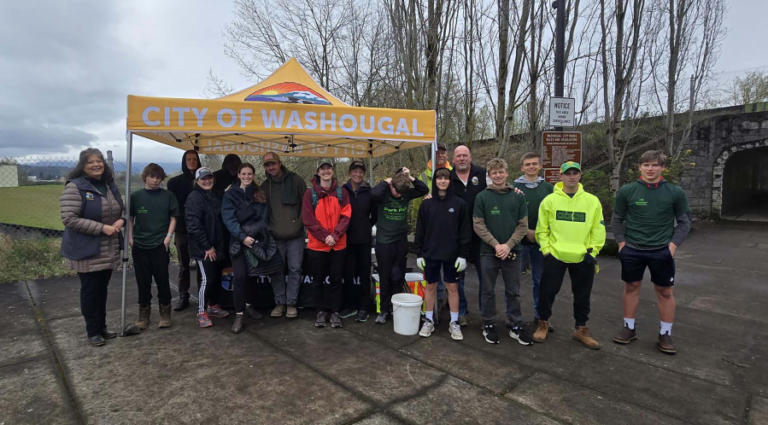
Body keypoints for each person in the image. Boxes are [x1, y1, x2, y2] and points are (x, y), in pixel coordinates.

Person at [611, 150, 691, 355]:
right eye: (646, 165)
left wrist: (672, 246)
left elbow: (684, 223)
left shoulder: (675, 192)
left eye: (655, 165)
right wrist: (621, 243)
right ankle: (629, 328)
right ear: (639, 167)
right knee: (631, 286)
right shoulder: (627, 191)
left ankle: (665, 333)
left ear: (663, 168)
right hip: (633, 250)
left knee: (665, 292)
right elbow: (617, 219)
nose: (650, 169)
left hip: (661, 251)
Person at [533, 161, 606, 349]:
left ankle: (581, 329)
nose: (571, 176)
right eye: (567, 173)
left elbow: (598, 229)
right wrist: (547, 251)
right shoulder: (550, 200)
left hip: (583, 256)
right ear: (561, 176)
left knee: (582, 295)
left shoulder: (592, 201)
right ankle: (543, 324)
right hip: (555, 255)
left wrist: (593, 252)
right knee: (547, 292)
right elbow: (542, 229)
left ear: (580, 175)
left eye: (575, 173)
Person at [60, 148, 125, 346]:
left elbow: (121, 208)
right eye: (91, 162)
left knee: (102, 289)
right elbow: (69, 218)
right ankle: (93, 331)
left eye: (99, 161)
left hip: (108, 246)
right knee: (90, 290)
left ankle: (102, 327)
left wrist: (121, 221)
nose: (96, 165)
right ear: (83, 166)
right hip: (87, 249)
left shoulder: (109, 185)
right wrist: (101, 228)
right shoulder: (75, 187)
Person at [472, 158, 532, 345]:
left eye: (501, 172)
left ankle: (515, 324)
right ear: (489, 176)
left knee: (513, 291)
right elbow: (478, 224)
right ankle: (488, 323)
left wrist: (508, 245)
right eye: (494, 173)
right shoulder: (482, 197)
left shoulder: (517, 196)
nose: (498, 176)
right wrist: (496, 245)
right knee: (487, 291)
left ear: (507, 173)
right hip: (488, 252)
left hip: (513, 252)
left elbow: (523, 226)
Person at [222, 163, 284, 334]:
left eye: (250, 174)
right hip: (237, 244)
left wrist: (252, 236)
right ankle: (239, 315)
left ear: (254, 175)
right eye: (244, 173)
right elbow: (229, 219)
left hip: (255, 242)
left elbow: (263, 219)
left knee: (253, 277)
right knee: (240, 278)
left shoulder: (259, 194)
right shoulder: (230, 195)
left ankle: (250, 306)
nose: (247, 176)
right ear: (239, 175)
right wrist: (242, 237)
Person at [415, 167, 471, 341]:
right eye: (439, 178)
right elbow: (420, 231)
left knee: (452, 288)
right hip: (430, 254)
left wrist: (463, 255)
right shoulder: (427, 204)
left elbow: (465, 231)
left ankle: (454, 323)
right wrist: (419, 254)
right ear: (435, 181)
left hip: (452, 255)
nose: (442, 181)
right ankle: (429, 319)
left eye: (446, 178)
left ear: (450, 181)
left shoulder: (459, 203)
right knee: (430, 287)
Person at [371, 167, 428, 324]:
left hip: (400, 241)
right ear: (391, 186)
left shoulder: (406, 192)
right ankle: (383, 310)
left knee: (398, 275)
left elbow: (424, 189)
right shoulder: (384, 193)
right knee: (385, 276)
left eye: (402, 193)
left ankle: (396, 306)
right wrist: (386, 181)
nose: (399, 195)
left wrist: (410, 177)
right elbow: (373, 193)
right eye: (397, 192)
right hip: (384, 243)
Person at [128, 163, 179, 330]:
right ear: (145, 177)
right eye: (152, 177)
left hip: (159, 244)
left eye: (158, 177)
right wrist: (130, 238)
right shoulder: (136, 197)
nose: (155, 180)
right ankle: (144, 314)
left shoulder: (168, 196)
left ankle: (165, 313)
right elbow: (129, 218)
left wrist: (168, 237)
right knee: (143, 282)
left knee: (162, 279)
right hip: (140, 245)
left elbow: (173, 217)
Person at [302, 161, 352, 328]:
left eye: (328, 168)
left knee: (337, 280)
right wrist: (325, 237)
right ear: (318, 172)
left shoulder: (342, 192)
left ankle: (335, 312)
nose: (326, 172)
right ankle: (321, 311)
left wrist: (335, 235)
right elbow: (308, 219)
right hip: (318, 246)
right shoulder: (310, 194)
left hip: (338, 245)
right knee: (318, 280)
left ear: (332, 171)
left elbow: (346, 216)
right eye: (322, 169)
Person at [261, 152, 307, 319]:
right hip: (275, 237)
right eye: (267, 165)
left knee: (295, 269)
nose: (270, 167)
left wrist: (300, 224)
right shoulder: (265, 186)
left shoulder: (296, 180)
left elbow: (307, 204)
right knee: (276, 270)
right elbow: (260, 211)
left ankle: (291, 303)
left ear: (280, 163)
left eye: (273, 163)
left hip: (296, 236)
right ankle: (280, 302)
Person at [185, 167, 230, 328]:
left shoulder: (215, 195)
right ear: (197, 181)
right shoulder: (194, 198)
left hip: (217, 246)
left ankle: (213, 306)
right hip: (203, 249)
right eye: (203, 178)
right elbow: (193, 226)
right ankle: (201, 312)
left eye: (209, 177)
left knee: (217, 278)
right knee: (207, 279)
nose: (207, 181)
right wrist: (207, 247)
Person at [513, 152, 554, 323]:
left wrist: (537, 233)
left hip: (541, 241)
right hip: (518, 241)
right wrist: (526, 231)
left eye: (534, 164)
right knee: (513, 282)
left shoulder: (549, 188)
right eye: (527, 164)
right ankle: (514, 317)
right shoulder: (514, 188)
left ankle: (541, 317)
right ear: (522, 167)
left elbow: (553, 214)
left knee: (540, 280)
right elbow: (510, 213)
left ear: (540, 166)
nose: (531, 167)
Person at [450, 144, 487, 326]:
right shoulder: (447, 177)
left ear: (470, 157)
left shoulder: (482, 174)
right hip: (457, 237)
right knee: (458, 278)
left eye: (465, 155)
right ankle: (461, 311)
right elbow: (438, 195)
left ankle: (485, 314)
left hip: (481, 236)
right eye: (459, 156)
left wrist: (514, 190)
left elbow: (498, 187)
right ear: (453, 159)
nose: (462, 159)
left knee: (485, 277)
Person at [341, 160, 377, 322]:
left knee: (364, 274)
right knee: (347, 273)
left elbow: (374, 215)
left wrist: (366, 226)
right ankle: (350, 305)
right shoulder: (342, 191)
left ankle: (363, 307)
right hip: (346, 239)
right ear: (350, 173)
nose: (358, 174)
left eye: (361, 171)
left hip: (363, 240)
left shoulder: (369, 192)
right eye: (355, 171)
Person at [167, 149, 202, 311]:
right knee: (184, 264)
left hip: (201, 229)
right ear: (184, 161)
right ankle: (183, 295)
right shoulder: (174, 183)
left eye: (194, 159)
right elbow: (172, 208)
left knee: (203, 264)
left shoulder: (205, 180)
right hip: (182, 229)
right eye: (188, 159)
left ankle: (204, 294)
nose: (192, 162)